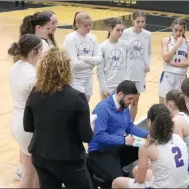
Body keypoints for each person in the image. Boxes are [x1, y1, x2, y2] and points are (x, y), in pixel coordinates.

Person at [23, 48, 94, 189]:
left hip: (41, 157)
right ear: (66, 69)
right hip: (68, 160)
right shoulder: (77, 97)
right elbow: (86, 136)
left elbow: (28, 126)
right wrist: (91, 126)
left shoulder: (35, 92)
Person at [87, 80, 149, 187]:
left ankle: (115, 165)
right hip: (100, 152)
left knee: (146, 146)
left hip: (117, 146)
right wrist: (124, 140)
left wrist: (147, 135)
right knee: (119, 182)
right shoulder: (102, 108)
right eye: (129, 99)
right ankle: (93, 165)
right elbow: (99, 136)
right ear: (120, 94)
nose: (131, 102)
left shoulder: (124, 106)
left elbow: (129, 126)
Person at [112, 104, 189, 188]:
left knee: (117, 182)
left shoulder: (146, 146)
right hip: (183, 185)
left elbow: (140, 180)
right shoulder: (177, 137)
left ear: (149, 122)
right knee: (135, 170)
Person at [8, 34, 43, 188]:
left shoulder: (17, 66)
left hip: (17, 121)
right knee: (32, 173)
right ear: (34, 52)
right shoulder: (32, 75)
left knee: (29, 172)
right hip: (27, 126)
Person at [63, 11, 102, 101]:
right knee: (76, 105)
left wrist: (83, 58)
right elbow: (74, 64)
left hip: (88, 78)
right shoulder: (71, 38)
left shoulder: (92, 37)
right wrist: (92, 64)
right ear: (77, 25)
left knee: (85, 106)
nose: (89, 28)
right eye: (85, 26)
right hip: (75, 79)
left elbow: (99, 59)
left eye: (90, 25)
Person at [121, 10, 151, 121]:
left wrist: (148, 64)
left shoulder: (147, 34)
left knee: (135, 101)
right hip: (128, 72)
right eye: (138, 21)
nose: (140, 24)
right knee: (125, 101)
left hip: (140, 72)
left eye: (142, 22)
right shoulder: (125, 33)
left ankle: (131, 124)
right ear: (133, 21)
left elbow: (148, 52)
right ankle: (122, 123)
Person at [159, 17, 189, 104]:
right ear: (172, 28)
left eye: (181, 30)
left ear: (185, 30)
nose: (178, 33)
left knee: (179, 105)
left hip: (181, 76)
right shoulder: (166, 40)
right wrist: (176, 46)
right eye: (176, 30)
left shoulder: (188, 43)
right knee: (164, 104)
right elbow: (166, 58)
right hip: (168, 75)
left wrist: (174, 64)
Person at [97, 18, 128, 100]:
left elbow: (127, 67)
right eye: (118, 30)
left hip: (121, 87)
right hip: (108, 87)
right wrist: (103, 89)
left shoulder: (125, 45)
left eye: (122, 30)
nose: (120, 33)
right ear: (110, 29)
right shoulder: (102, 47)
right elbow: (100, 70)